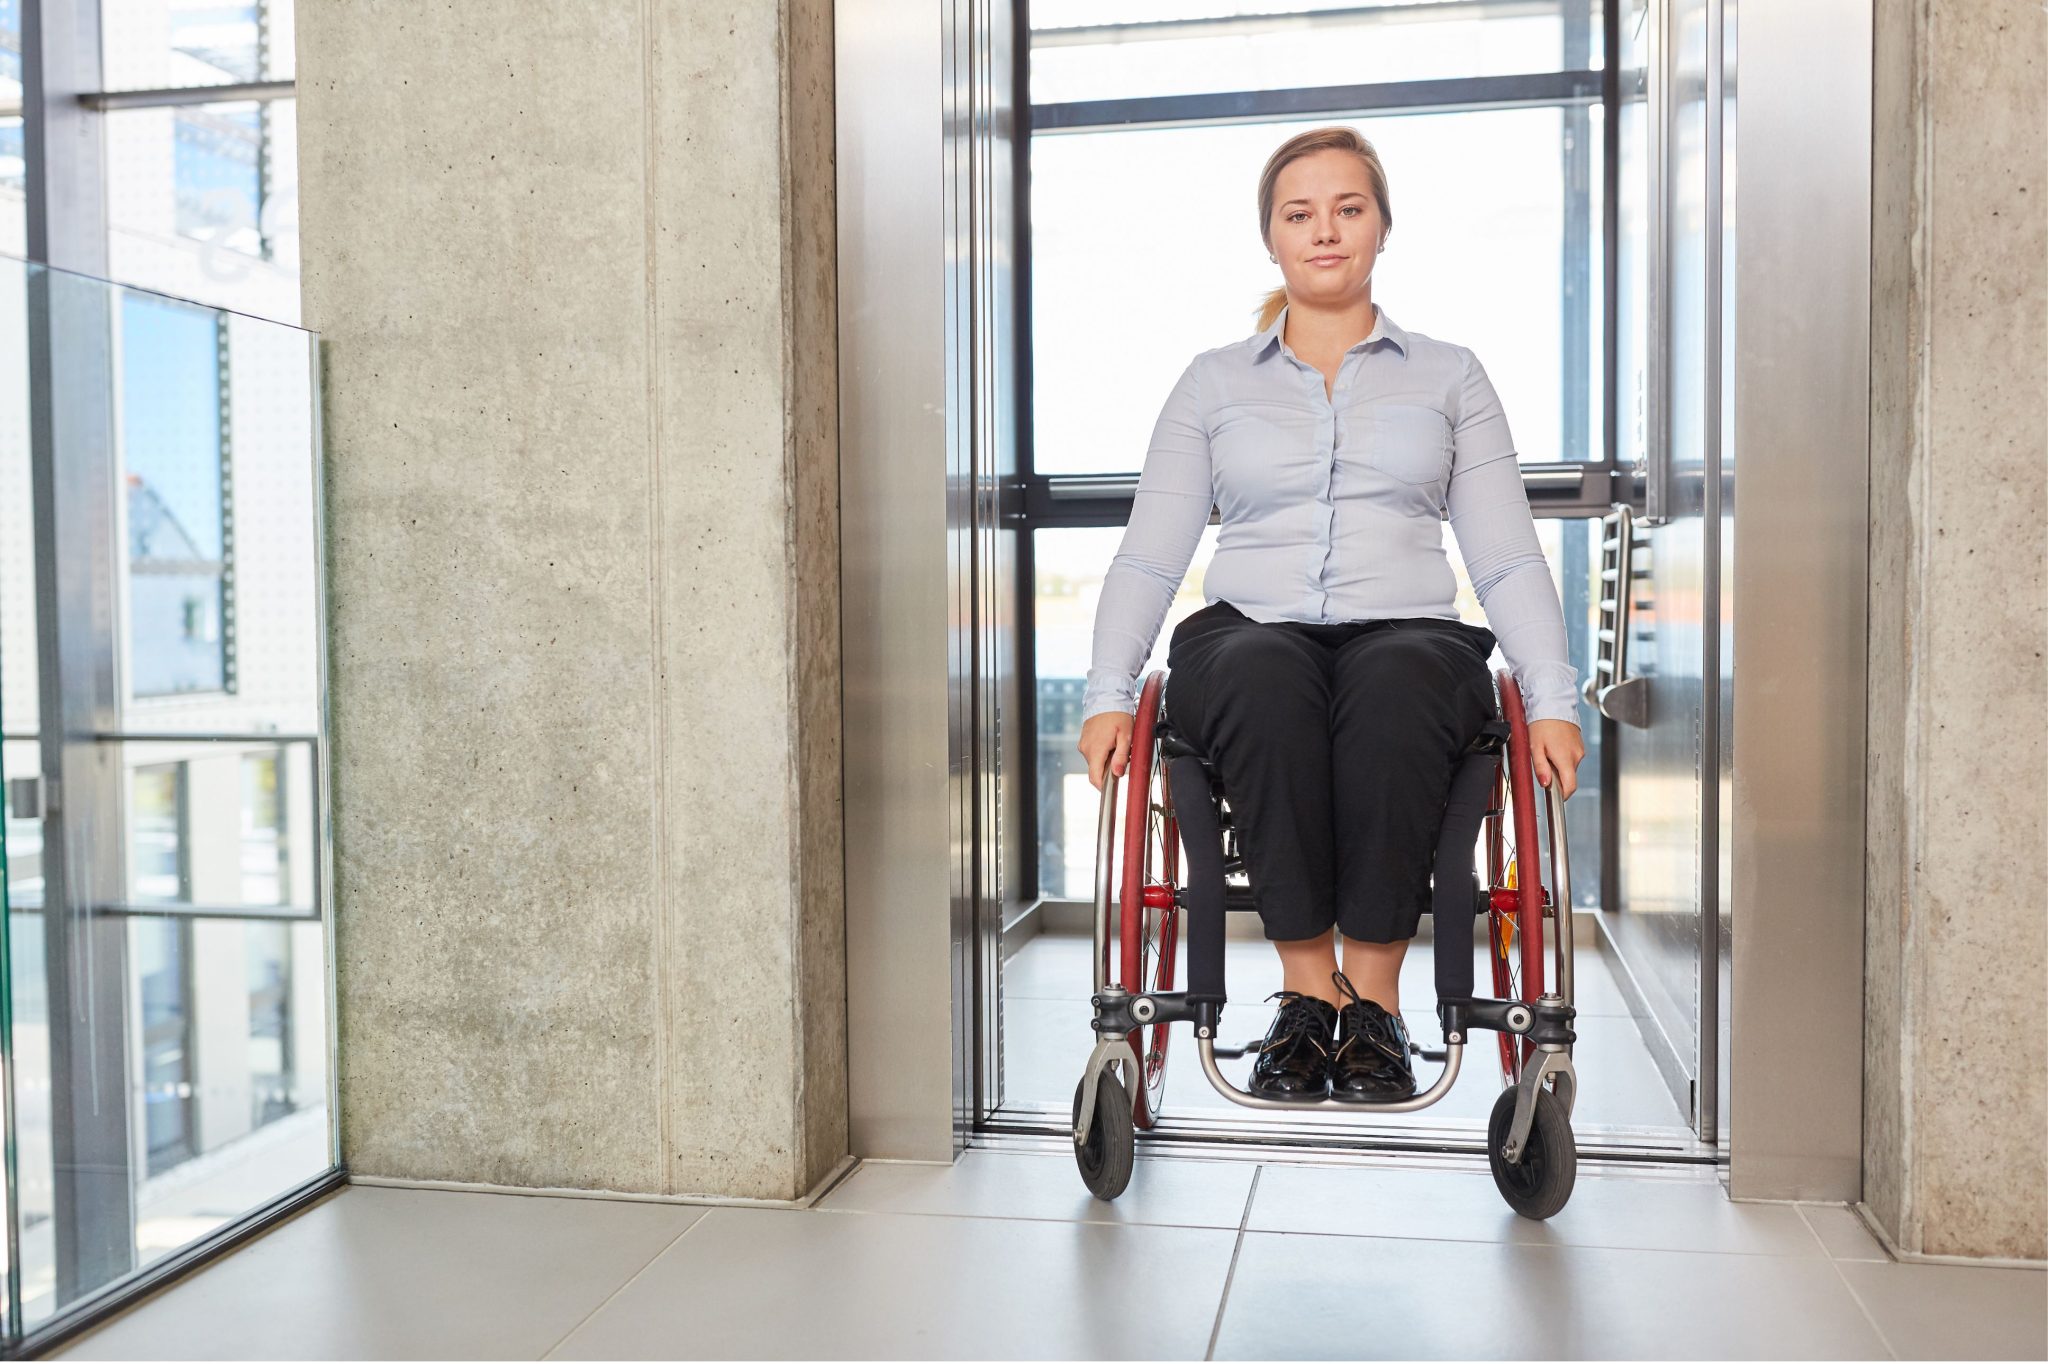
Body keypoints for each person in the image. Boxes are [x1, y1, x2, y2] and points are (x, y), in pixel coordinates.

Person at [1075, 126, 1585, 1103]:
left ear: (1380, 226)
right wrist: (1107, 690)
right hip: (1247, 628)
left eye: (1346, 208)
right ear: (1269, 235)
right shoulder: (1212, 382)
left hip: (1407, 629)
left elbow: (1504, 551)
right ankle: (1307, 997)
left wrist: (1551, 696)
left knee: (1396, 682)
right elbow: (1151, 550)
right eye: (1297, 212)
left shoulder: (1449, 375)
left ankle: (1373, 1005)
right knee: (1264, 676)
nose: (1323, 231)